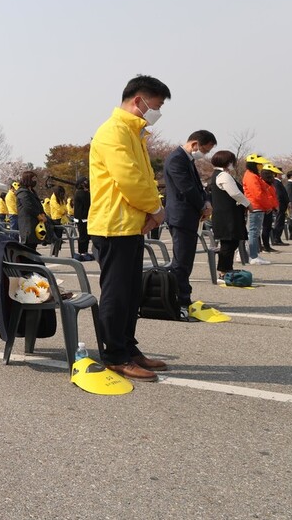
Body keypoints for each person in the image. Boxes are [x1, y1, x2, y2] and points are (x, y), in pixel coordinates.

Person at [89, 75, 170, 382]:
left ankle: (128, 347)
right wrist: (158, 210)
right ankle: (114, 355)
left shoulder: (133, 133)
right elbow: (130, 180)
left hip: (129, 225)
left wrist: (151, 210)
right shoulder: (113, 131)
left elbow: (143, 179)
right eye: (157, 105)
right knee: (117, 293)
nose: (157, 112)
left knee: (131, 292)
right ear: (139, 101)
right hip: (114, 225)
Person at [162, 130, 217, 317]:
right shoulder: (177, 159)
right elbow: (186, 187)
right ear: (194, 144)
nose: (205, 154)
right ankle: (181, 299)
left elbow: (198, 187)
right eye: (205, 149)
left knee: (185, 259)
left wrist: (206, 202)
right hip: (181, 215)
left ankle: (181, 295)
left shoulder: (188, 160)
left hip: (188, 215)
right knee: (182, 261)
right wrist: (203, 205)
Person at [209, 150, 249, 279]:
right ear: (227, 162)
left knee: (230, 242)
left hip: (225, 215)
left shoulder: (217, 175)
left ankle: (226, 268)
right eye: (232, 161)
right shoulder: (223, 176)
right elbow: (235, 193)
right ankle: (223, 270)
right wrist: (248, 204)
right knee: (228, 243)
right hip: (227, 216)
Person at [242, 154, 274, 264]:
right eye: (259, 164)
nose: (261, 166)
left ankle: (248, 254)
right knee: (254, 232)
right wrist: (267, 206)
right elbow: (258, 194)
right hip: (256, 206)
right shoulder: (251, 176)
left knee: (253, 232)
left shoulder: (252, 175)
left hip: (257, 206)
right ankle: (253, 256)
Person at [15, 171, 46, 251]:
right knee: (28, 246)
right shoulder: (22, 192)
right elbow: (28, 206)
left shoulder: (31, 191)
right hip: (27, 223)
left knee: (33, 245)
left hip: (35, 223)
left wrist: (42, 213)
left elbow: (38, 204)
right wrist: (38, 215)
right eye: (33, 178)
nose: (35, 181)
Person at [72, 177, 91, 260]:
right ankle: (82, 253)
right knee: (83, 236)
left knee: (85, 236)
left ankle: (84, 251)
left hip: (83, 218)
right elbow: (88, 203)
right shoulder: (81, 193)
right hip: (82, 218)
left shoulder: (81, 192)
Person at [269, 166, 289, 246]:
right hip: (279, 205)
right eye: (280, 173)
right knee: (278, 222)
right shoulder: (276, 182)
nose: (282, 175)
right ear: (276, 174)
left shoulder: (278, 182)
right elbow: (279, 195)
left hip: (282, 205)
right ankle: (276, 239)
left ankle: (278, 238)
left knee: (280, 222)